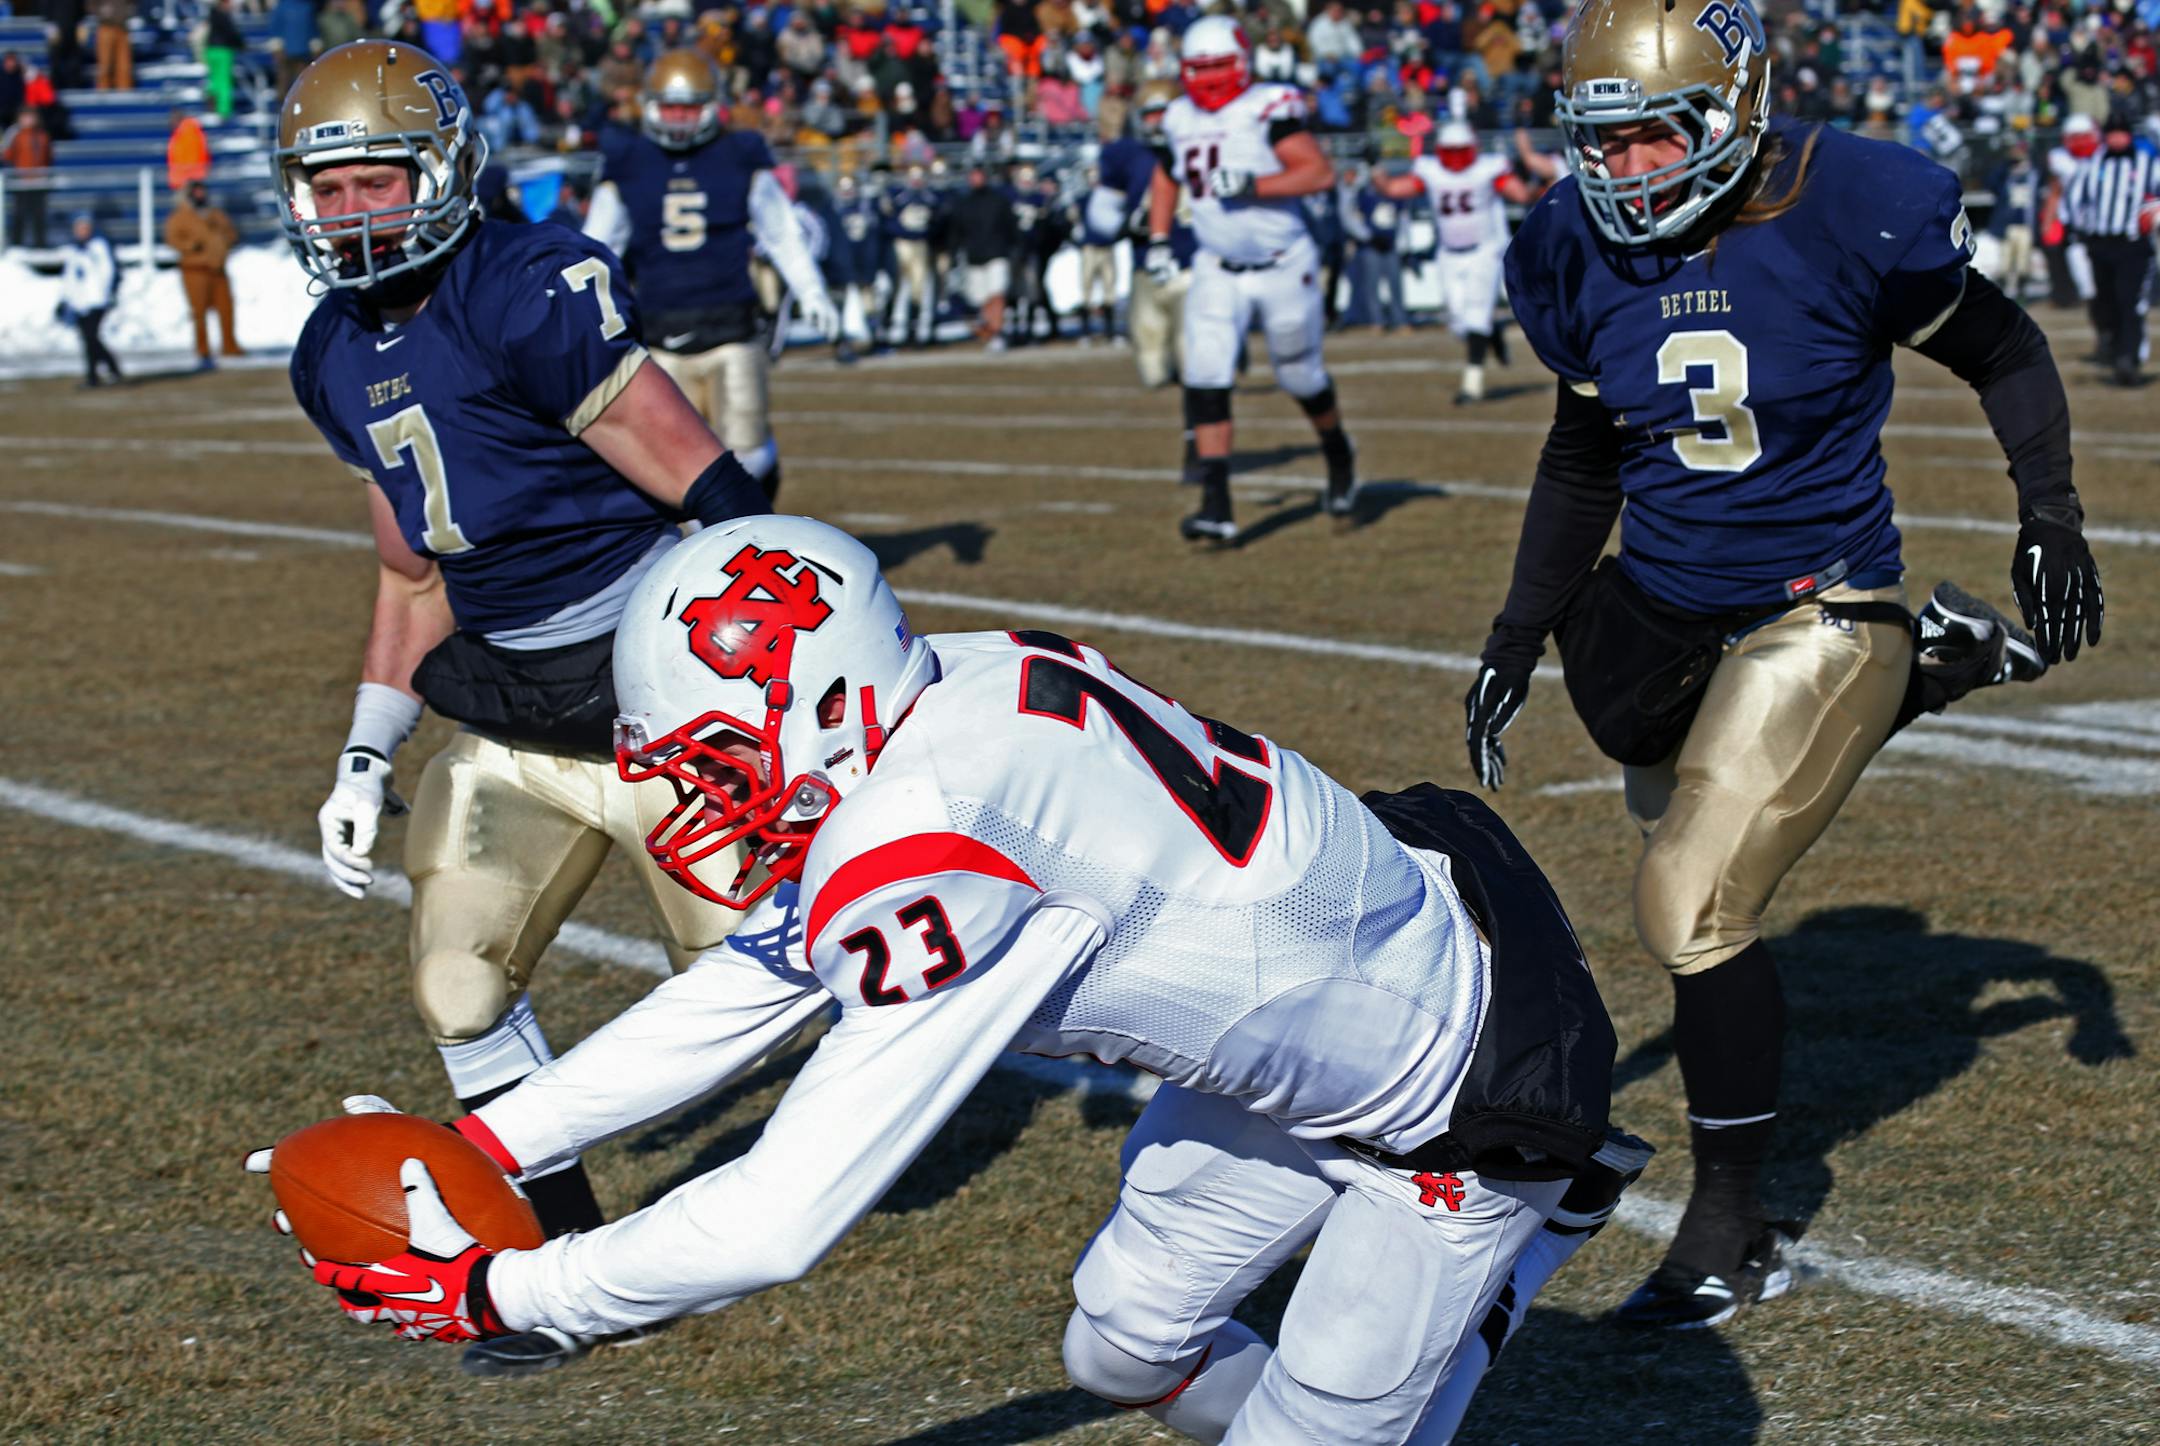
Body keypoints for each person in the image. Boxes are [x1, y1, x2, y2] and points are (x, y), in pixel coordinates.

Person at [253, 514, 1647, 1445]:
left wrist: (513, 1295)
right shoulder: (943, 689)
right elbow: (745, 987)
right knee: (1118, 1349)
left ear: (825, 707)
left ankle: (1520, 1248)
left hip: (1449, 1092)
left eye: (717, 764)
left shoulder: (944, 838)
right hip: (1323, 1007)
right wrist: (489, 1139)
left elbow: (778, 1217)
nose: (702, 806)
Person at [1463, 0, 2103, 1330]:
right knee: (1644, 759)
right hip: (1667, 601)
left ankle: (1732, 1228)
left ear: (1735, 108)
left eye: (1653, 139)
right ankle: (1934, 664)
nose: (1626, 172)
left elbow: (2005, 348)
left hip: (1815, 599)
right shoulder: (1570, 247)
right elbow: (1585, 456)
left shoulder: (1842, 200)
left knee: (1687, 903)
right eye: (1605, 144)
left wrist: (2049, 511)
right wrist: (1518, 632)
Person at [274, 39, 774, 1378]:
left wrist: (770, 672)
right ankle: (550, 1262)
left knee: (757, 992)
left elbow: (709, 489)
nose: (352, 212)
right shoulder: (330, 350)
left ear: (442, 171)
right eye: (328, 189)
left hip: (657, 691)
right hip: (509, 708)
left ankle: (779, 1202)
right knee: (455, 979)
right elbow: (410, 571)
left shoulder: (523, 285)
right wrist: (364, 751)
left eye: (378, 178)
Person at [583, 51, 835, 501]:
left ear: (711, 105)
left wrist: (812, 290)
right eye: (671, 107)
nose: (680, 118)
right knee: (668, 470)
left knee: (750, 457)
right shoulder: (628, 159)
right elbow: (596, 250)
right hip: (659, 336)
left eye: (690, 107)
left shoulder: (739, 154)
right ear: (651, 104)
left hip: (731, 329)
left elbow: (780, 233)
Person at [1147, 16, 1358, 539]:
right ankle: (1216, 504)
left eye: (1219, 65)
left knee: (1298, 374)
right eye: (1199, 68)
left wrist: (1253, 183)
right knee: (1206, 374)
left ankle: (1338, 453)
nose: (1210, 77)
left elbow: (1318, 172)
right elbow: (1166, 175)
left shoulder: (1268, 107)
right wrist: (1156, 238)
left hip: (1283, 263)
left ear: (1242, 64)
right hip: (1216, 263)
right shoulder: (1177, 116)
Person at [1372, 119, 1533, 402]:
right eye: (1451, 150)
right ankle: (1491, 332)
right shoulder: (1431, 171)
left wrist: (1534, 186)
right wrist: (1374, 167)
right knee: (1460, 322)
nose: (1456, 158)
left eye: (1461, 150)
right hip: (1448, 254)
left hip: (1483, 251)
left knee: (1474, 317)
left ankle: (1472, 384)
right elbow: (1393, 189)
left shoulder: (1487, 168)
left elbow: (1518, 194)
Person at [2059, 108, 2160, 388]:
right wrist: (2077, 231)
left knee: (2130, 302)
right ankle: (2115, 353)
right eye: (2112, 133)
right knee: (2106, 301)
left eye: (2121, 133)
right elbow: (2073, 199)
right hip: (2099, 243)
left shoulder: (2147, 164)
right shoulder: (2092, 163)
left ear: (2129, 135)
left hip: (2133, 245)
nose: (2117, 139)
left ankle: (2129, 360)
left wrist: (2152, 214)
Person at [164, 178, 243, 369]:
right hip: (195, 269)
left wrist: (226, 240)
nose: (201, 196)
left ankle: (229, 345)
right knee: (199, 312)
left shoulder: (216, 214)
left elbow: (232, 233)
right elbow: (172, 239)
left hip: (218, 268)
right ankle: (202, 348)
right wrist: (190, 246)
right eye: (197, 192)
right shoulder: (180, 216)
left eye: (203, 192)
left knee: (226, 308)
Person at [949, 162, 1018, 349]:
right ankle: (990, 331)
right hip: (974, 257)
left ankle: (996, 332)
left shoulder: (999, 200)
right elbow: (957, 232)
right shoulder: (964, 203)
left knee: (996, 293)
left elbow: (1012, 228)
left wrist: (1013, 251)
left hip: (997, 255)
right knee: (981, 298)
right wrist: (953, 255)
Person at [879, 162, 940, 348]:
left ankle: (918, 328)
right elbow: (887, 220)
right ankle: (893, 328)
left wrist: (926, 233)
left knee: (921, 287)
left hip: (921, 245)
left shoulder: (931, 198)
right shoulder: (898, 196)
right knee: (898, 286)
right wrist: (901, 232)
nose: (916, 181)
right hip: (902, 245)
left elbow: (938, 221)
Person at [59, 211, 122, 386]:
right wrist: (65, 299)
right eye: (79, 227)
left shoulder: (99, 246)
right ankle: (97, 374)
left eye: (85, 227)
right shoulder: (73, 250)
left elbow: (108, 272)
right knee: (88, 339)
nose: (82, 231)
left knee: (91, 338)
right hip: (80, 303)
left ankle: (105, 370)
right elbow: (69, 278)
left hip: (97, 301)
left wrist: (107, 294)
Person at [1985, 138, 2042, 304]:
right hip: (2008, 224)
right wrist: (2007, 163)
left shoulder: (2033, 174)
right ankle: (2002, 293)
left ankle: (2021, 292)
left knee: (2023, 261)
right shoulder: (2006, 175)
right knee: (2005, 261)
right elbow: (1991, 183)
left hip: (2025, 224)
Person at [2, 105, 53, 247]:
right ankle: (17, 245)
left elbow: (48, 157)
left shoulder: (43, 136)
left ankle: (40, 245)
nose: (28, 120)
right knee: (20, 215)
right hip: (22, 183)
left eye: (31, 116)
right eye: (25, 116)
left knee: (39, 216)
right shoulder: (15, 135)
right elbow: (7, 156)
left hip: (39, 182)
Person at [93, 0, 133, 92]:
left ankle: (125, 94)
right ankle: (103, 94)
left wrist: (127, 11)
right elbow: (90, 4)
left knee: (124, 67)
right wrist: (100, 12)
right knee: (105, 66)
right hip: (105, 27)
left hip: (123, 27)